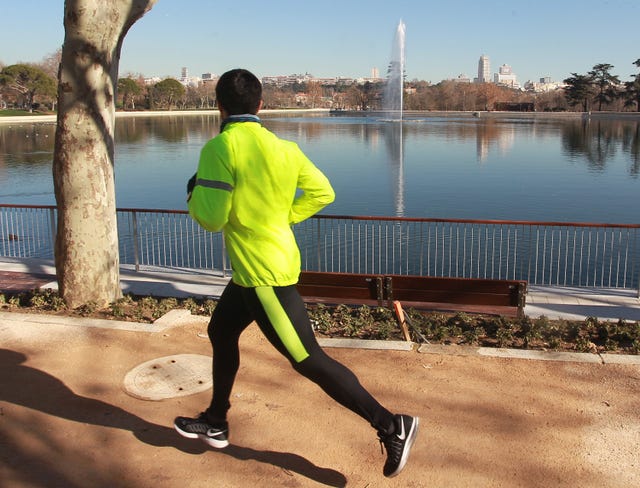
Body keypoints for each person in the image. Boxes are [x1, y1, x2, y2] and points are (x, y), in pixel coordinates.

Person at [174, 68, 419, 478]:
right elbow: (324, 191)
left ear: (218, 105)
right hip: (263, 266)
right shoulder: (285, 148)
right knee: (221, 332)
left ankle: (392, 424)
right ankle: (216, 419)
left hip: (263, 274)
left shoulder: (220, 148)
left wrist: (193, 191)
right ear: (261, 105)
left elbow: (212, 219)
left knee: (307, 358)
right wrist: (281, 218)